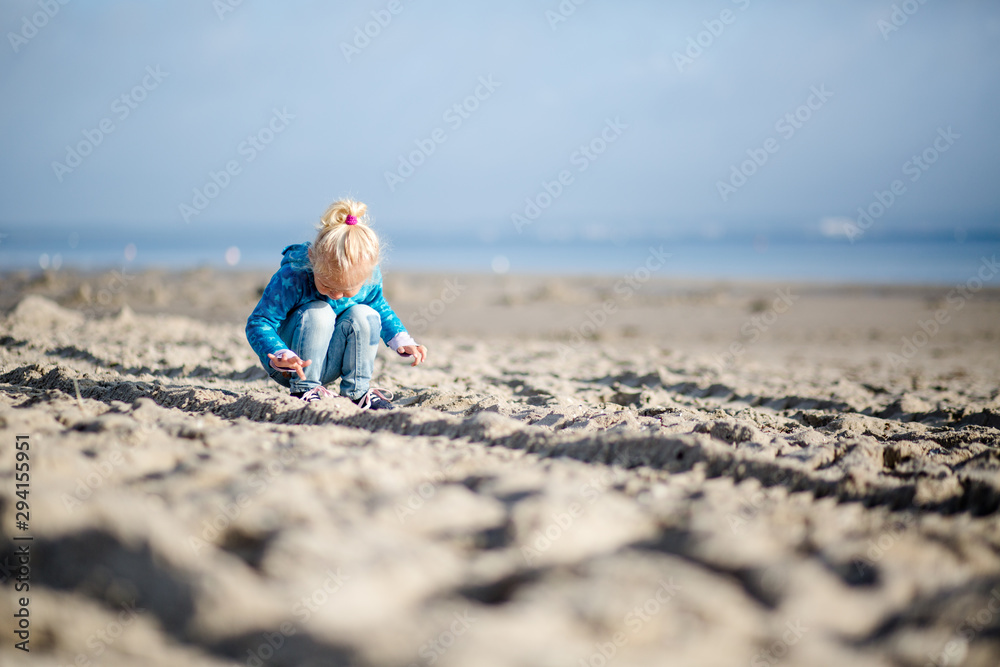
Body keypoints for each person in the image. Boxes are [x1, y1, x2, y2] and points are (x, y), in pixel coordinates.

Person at [245, 198, 426, 409]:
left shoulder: (369, 278)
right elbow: (259, 322)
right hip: (291, 366)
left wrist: (401, 338)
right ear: (312, 258)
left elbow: (380, 307)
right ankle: (305, 390)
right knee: (320, 312)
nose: (337, 295)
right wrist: (279, 353)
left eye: (348, 290)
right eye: (328, 286)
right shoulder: (293, 276)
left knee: (366, 314)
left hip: (330, 363)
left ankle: (358, 392)